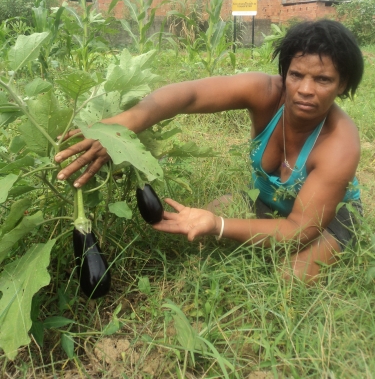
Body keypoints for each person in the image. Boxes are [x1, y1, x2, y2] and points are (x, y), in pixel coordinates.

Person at [55, 20, 364, 282]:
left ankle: (340, 239)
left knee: (288, 275)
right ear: (285, 74)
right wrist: (121, 126)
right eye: (296, 75)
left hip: (324, 218)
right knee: (201, 221)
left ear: (342, 83)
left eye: (323, 79)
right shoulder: (267, 93)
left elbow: (299, 229)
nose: (305, 89)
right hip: (265, 201)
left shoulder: (340, 143)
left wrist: (219, 226)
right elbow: (188, 95)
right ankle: (246, 214)